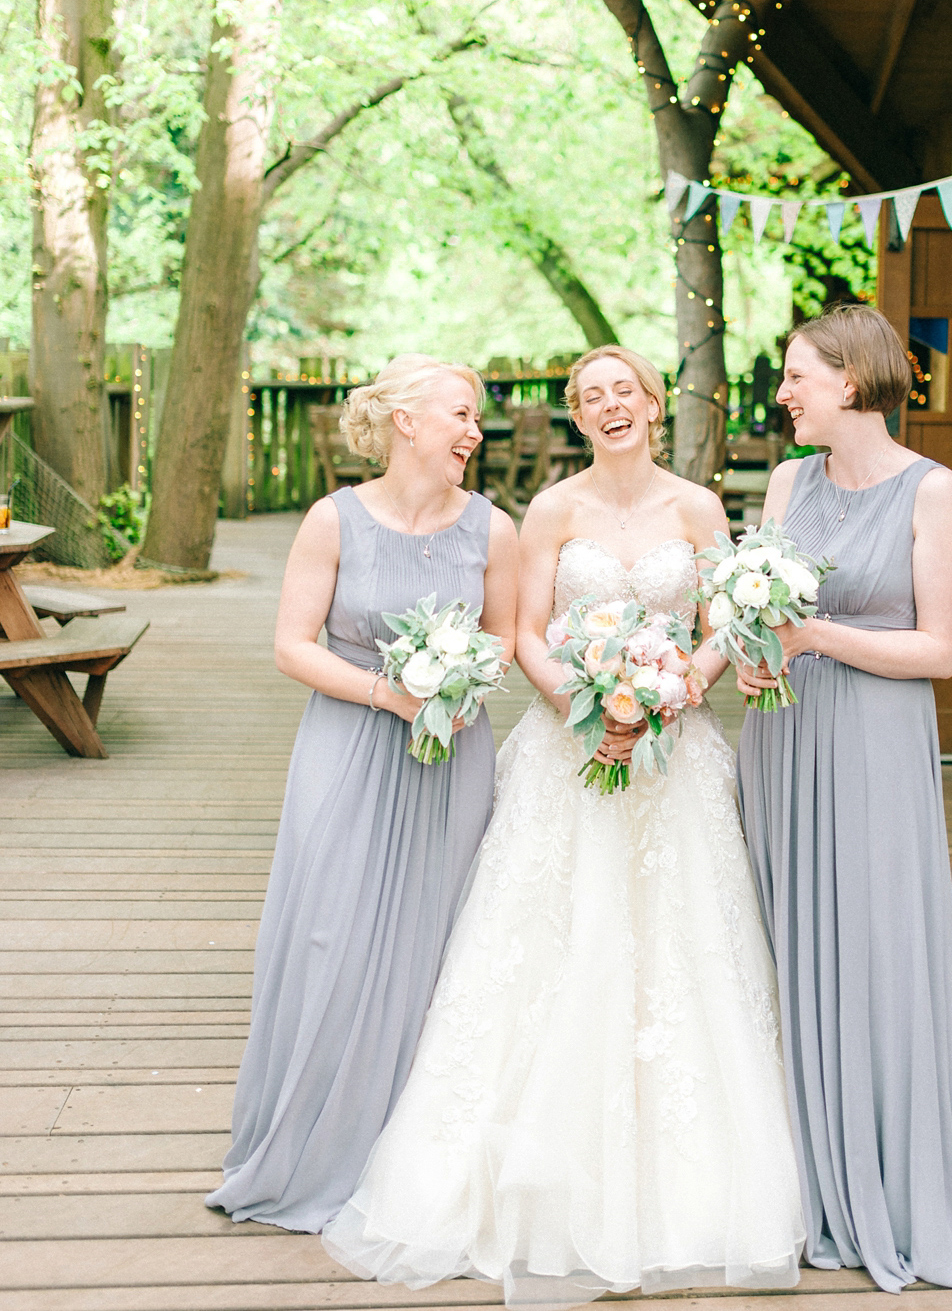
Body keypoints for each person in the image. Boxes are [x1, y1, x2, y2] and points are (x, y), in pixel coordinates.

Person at [322, 345, 806, 1305]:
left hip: (678, 752)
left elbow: (717, 622)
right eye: (589, 398)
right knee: (552, 946)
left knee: (685, 955)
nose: (608, 406)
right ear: (577, 418)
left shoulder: (699, 509)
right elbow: (525, 633)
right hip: (569, 750)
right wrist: (590, 704)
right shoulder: (550, 510)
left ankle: (692, 1184)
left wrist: (671, 694)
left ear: (653, 404)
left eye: (622, 391)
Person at [206, 356, 518, 1232]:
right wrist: (393, 692)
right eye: (462, 413)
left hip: (450, 757)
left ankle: (406, 1157)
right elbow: (292, 646)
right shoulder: (331, 519)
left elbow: (502, 640)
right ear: (408, 421)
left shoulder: (494, 529)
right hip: (346, 747)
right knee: (328, 935)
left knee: (436, 941)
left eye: (477, 417)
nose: (474, 430)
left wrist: (457, 687)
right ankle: (306, 1142)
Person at [736, 303, 952, 1293]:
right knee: (781, 942)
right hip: (785, 739)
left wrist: (813, 639)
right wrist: (756, 662)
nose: (784, 394)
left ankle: (882, 1181)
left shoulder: (936, 493)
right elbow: (759, 610)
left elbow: (939, 650)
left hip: (876, 747)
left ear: (851, 381)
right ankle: (793, 1181)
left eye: (798, 376)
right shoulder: (785, 481)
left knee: (873, 948)